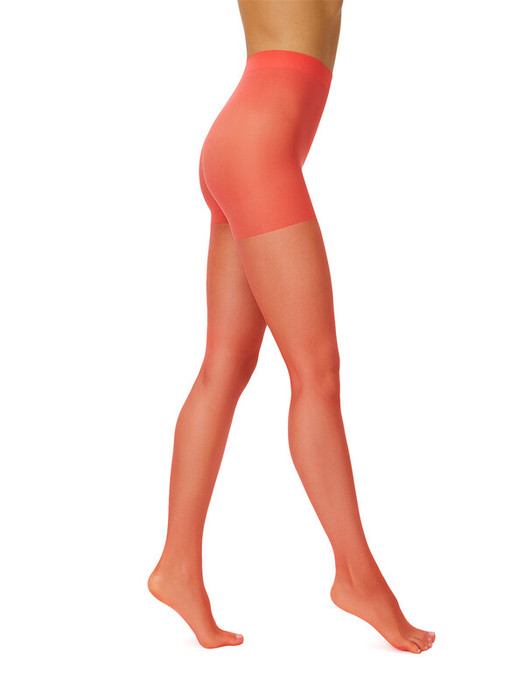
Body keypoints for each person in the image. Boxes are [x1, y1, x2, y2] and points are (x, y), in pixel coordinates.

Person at [148, 0, 436, 653]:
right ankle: (357, 577)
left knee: (224, 367)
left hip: (243, 142)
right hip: (259, 153)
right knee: (316, 375)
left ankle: (177, 566)